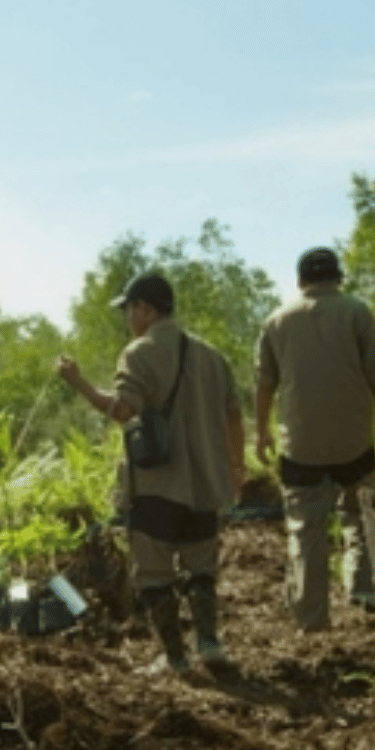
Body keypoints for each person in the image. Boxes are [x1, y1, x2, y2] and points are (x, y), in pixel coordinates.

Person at [57, 272, 246, 673]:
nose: (127, 317)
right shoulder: (212, 356)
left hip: (157, 484)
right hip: (205, 484)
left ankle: (176, 657)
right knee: (201, 569)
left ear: (145, 308)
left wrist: (80, 384)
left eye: (129, 309)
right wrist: (235, 465)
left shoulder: (138, 353)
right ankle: (210, 644)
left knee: (155, 574)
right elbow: (233, 412)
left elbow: (124, 410)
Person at [254, 246, 375, 632]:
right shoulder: (357, 312)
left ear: (301, 282)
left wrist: (261, 431)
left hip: (300, 446)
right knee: (362, 511)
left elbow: (264, 383)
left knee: (305, 531)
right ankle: (364, 588)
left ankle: (311, 617)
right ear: (338, 278)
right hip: (355, 444)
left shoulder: (276, 321)